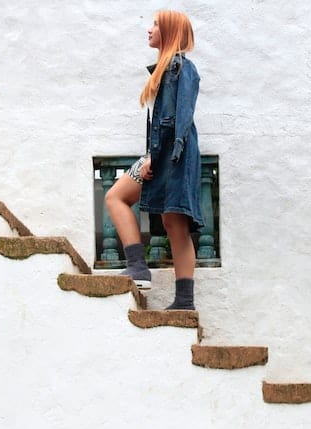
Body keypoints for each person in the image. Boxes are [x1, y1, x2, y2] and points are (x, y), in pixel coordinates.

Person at [105, 10, 203, 310]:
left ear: (170, 31)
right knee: (116, 197)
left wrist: (158, 157)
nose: (149, 30)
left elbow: (179, 119)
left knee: (175, 222)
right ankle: (137, 267)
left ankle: (184, 300)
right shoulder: (166, 69)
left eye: (156, 25)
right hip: (164, 152)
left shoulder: (180, 68)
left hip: (174, 153)